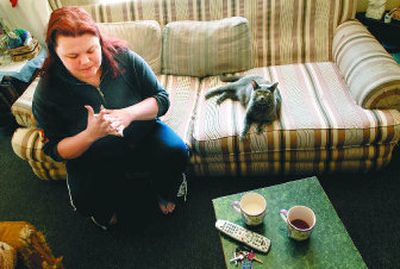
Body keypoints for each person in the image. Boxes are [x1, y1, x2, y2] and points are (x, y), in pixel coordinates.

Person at [32, 6, 189, 230]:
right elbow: (54, 150)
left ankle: (165, 191)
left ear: (100, 41)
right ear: (55, 53)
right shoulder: (48, 91)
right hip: (92, 155)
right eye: (73, 56)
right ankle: (104, 209)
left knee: (176, 151)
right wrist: (89, 136)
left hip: (142, 134)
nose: (86, 62)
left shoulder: (123, 57)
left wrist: (128, 114)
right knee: (84, 200)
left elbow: (161, 99)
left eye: (91, 50)